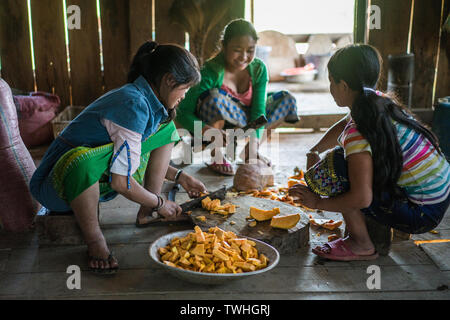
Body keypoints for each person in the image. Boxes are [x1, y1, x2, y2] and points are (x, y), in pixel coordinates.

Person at [30, 41, 207, 274]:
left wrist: (180, 177)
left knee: (165, 130)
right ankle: (95, 242)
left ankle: (146, 213)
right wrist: (162, 202)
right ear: (169, 80)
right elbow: (120, 182)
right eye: (185, 89)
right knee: (84, 162)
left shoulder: (147, 102)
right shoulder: (133, 104)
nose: (185, 96)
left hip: (93, 173)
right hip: (56, 185)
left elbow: (132, 155)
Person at [289, 44, 450, 261]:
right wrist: (315, 149)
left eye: (331, 82)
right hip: (438, 196)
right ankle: (392, 222)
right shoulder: (377, 101)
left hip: (422, 214)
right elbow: (344, 124)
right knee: (345, 161)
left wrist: (317, 203)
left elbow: (362, 198)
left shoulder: (358, 133)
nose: (331, 88)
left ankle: (361, 244)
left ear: (343, 86)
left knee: (335, 169)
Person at [176, 19, 299, 175]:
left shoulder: (259, 68)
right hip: (216, 128)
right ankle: (217, 154)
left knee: (286, 99)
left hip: (247, 121)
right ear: (224, 45)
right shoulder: (210, 71)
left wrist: (253, 144)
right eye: (237, 49)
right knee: (214, 97)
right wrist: (207, 131)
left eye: (250, 50)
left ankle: (250, 152)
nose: (244, 56)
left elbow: (258, 112)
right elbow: (183, 112)